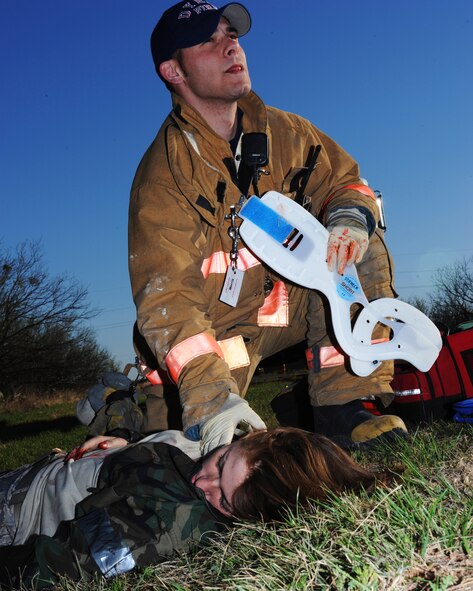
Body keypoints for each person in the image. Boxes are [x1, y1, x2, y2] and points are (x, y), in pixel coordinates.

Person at [127, 0, 408, 453]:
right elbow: (169, 299)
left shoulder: (289, 133)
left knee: (360, 248)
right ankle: (137, 407)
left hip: (286, 305)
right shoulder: (163, 177)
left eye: (231, 34)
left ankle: (344, 408)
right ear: (173, 72)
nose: (230, 46)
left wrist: (351, 218)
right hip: (218, 330)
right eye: (208, 40)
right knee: (181, 445)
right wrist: (212, 403)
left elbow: (346, 182)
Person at [0, 427, 384, 589]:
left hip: (14, 510)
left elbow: (52, 568)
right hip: (36, 472)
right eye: (221, 463)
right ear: (255, 437)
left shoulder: (165, 526)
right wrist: (128, 445)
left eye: (224, 500)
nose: (204, 483)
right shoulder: (227, 447)